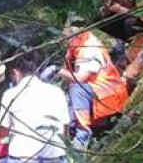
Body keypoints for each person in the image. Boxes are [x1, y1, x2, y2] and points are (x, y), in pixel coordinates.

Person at [53, 16, 130, 148]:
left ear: (76, 36)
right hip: (96, 93)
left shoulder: (90, 49)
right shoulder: (76, 47)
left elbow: (81, 78)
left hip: (109, 94)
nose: (64, 42)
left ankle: (83, 134)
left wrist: (56, 70)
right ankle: (71, 129)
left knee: (77, 90)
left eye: (66, 39)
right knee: (70, 94)